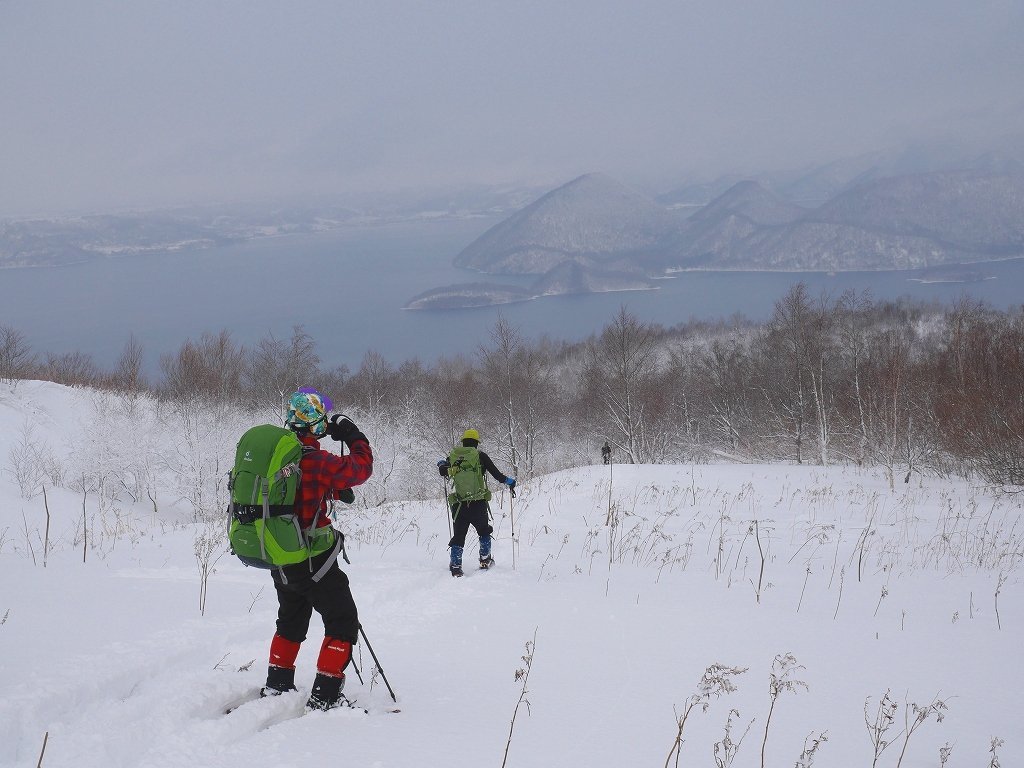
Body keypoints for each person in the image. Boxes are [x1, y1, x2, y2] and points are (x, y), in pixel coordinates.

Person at [261, 389, 373, 711]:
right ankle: (325, 697)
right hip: (314, 561)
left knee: (291, 618)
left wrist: (335, 492)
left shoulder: (279, 457)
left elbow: (294, 494)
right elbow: (362, 468)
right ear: (315, 423)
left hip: (281, 559)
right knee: (341, 620)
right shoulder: (318, 460)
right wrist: (351, 434)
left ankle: (277, 685)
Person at [437, 428, 515, 577]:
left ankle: (456, 566)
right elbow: (497, 475)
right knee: (484, 531)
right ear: (476, 443)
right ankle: (485, 560)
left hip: (459, 505)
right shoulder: (480, 456)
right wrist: (509, 482)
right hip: (478, 503)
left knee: (459, 536)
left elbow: (443, 471)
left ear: (464, 442)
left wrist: (441, 464)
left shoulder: (453, 456)